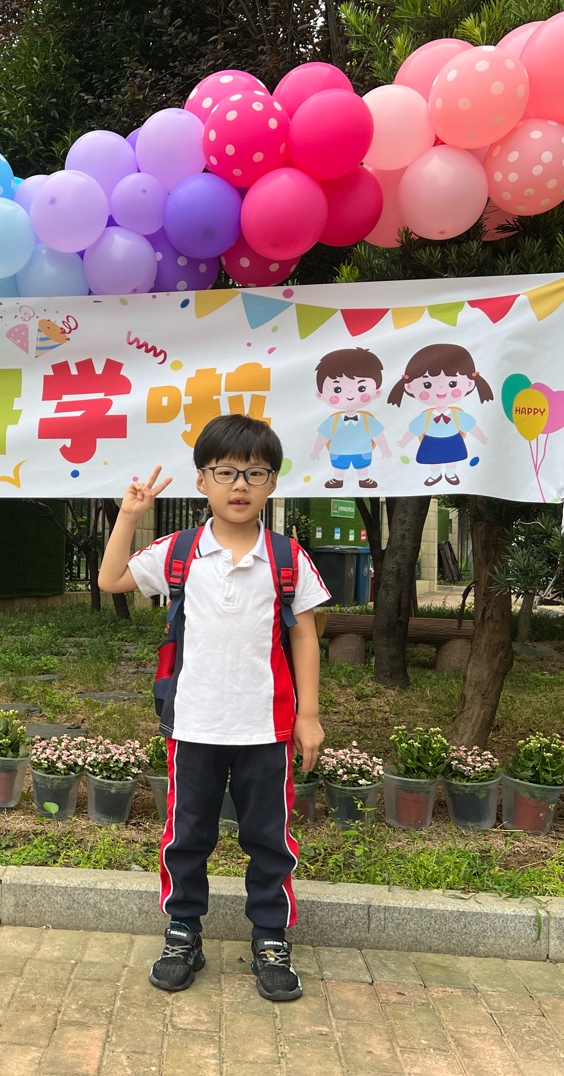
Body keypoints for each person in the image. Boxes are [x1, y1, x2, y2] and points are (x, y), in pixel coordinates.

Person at [98, 413, 330, 1002]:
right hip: (194, 724)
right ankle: (183, 934)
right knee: (187, 836)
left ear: (272, 482)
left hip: (266, 727)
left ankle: (271, 938)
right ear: (202, 481)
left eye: (255, 472)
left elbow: (305, 635)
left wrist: (307, 716)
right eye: (225, 472)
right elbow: (110, 579)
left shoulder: (287, 558)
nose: (240, 485)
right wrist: (129, 516)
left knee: (269, 837)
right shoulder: (178, 552)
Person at [387, 343, 494, 487]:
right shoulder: (426, 416)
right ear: (409, 387)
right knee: (434, 459)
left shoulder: (457, 414)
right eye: (427, 385)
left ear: (469, 384)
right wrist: (403, 442)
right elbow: (413, 430)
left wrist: (482, 438)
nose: (441, 389)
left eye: (452, 384)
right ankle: (435, 475)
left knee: (452, 458)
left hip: (452, 439)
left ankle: (451, 473)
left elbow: (471, 427)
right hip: (432, 440)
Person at [308, 347, 392, 489]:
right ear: (320, 394)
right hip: (339, 451)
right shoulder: (333, 421)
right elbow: (323, 436)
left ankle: (364, 479)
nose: (350, 395)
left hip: (363, 450)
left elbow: (378, 435)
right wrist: (316, 451)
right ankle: (337, 479)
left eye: (361, 388)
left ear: (377, 392)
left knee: (362, 466)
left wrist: (385, 449)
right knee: (339, 467)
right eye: (337, 389)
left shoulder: (367, 420)